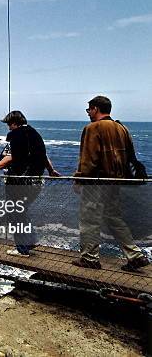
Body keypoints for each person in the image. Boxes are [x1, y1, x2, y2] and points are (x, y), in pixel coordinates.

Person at [72, 95, 149, 271]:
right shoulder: (121, 127)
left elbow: (89, 159)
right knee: (114, 218)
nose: (88, 114)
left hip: (96, 183)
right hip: (115, 181)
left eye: (89, 110)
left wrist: (79, 179)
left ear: (95, 109)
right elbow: (130, 157)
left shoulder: (93, 128)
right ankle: (135, 255)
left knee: (89, 220)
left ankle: (90, 258)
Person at [0, 111, 60, 257]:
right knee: (22, 210)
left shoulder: (17, 135)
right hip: (36, 181)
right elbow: (43, 155)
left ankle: (22, 249)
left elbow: (11, 157)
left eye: (9, 124)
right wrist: (51, 170)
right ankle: (30, 241)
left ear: (15, 123)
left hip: (19, 182)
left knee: (15, 213)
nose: (9, 128)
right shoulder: (34, 134)